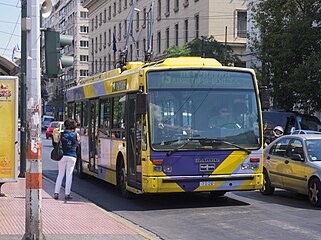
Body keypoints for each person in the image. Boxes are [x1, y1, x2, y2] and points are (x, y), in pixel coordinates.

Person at [53, 118, 80, 200]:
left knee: (60, 174)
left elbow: (57, 142)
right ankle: (67, 194)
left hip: (62, 156)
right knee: (69, 175)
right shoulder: (76, 135)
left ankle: (56, 193)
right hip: (72, 156)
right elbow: (77, 143)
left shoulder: (62, 134)